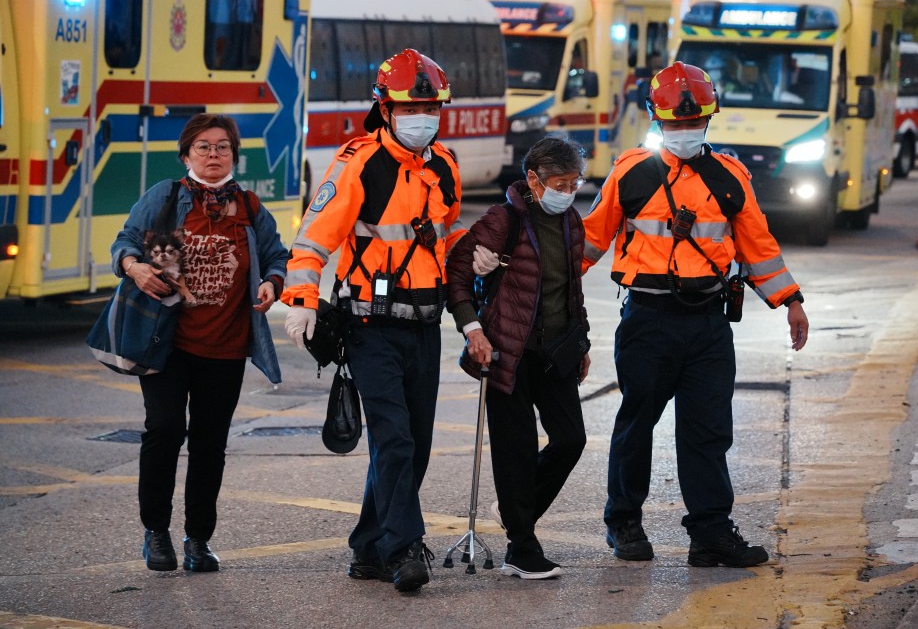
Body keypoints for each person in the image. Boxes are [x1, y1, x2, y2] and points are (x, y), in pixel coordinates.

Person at [583, 62, 809, 567]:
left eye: (693, 123)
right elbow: (587, 243)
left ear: (708, 119)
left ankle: (709, 533)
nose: (684, 132)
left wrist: (790, 300)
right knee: (636, 424)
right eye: (675, 124)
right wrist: (531, 286)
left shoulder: (730, 177)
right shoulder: (630, 173)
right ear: (657, 119)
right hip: (648, 319)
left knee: (707, 430)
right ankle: (624, 523)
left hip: (708, 322)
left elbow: (757, 248)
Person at [281, 48, 466, 593]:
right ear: (384, 109)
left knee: (416, 443)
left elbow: (447, 233)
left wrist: (472, 262)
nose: (423, 117)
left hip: (424, 326)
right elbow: (313, 240)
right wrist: (302, 301)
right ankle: (404, 546)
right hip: (369, 326)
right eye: (412, 108)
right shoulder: (358, 163)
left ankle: (368, 547)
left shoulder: (444, 165)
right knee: (395, 439)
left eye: (431, 108)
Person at [111, 113, 289, 573]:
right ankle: (155, 532)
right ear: (187, 153)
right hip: (167, 343)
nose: (214, 155)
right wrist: (134, 267)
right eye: (204, 147)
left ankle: (198, 539)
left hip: (226, 347)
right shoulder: (167, 197)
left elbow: (275, 254)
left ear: (234, 153)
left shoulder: (249, 205)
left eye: (223, 147)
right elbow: (125, 241)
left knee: (210, 444)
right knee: (165, 429)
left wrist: (272, 282)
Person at [447, 137, 591, 580]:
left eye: (574, 182)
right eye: (560, 183)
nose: (568, 190)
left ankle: (515, 513)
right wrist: (472, 329)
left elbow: (572, 289)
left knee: (571, 440)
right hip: (507, 351)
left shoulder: (571, 222)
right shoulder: (501, 219)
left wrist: (581, 342)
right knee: (517, 450)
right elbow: (457, 272)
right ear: (533, 180)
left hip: (556, 352)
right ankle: (522, 549)